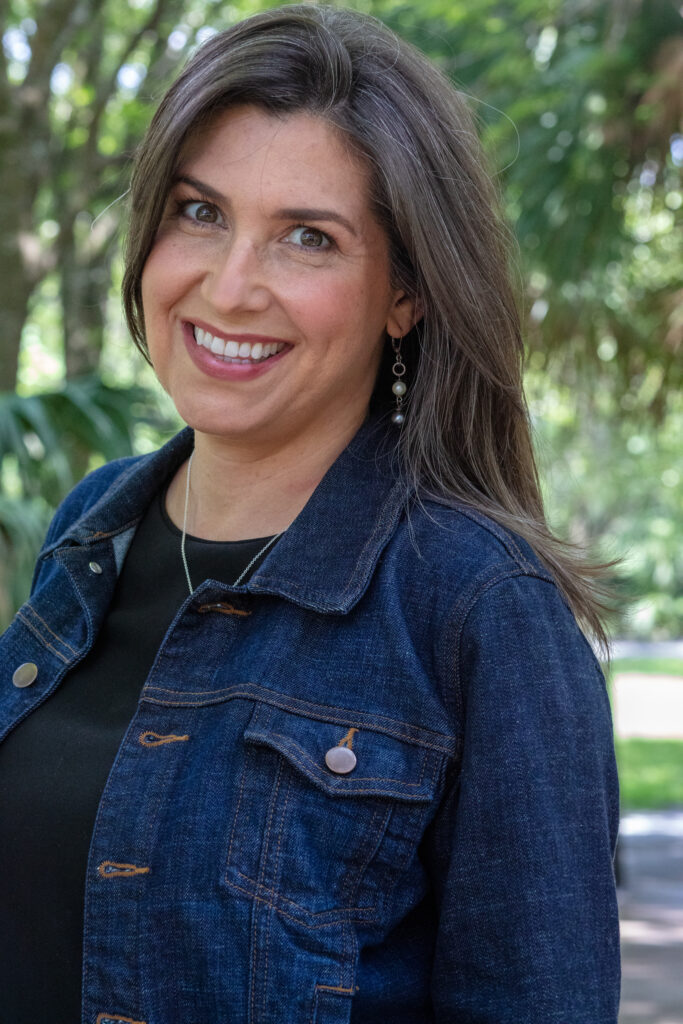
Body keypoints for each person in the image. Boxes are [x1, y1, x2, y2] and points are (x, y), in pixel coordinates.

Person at [0, 5, 620, 1022]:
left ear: (404, 296)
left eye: (306, 237)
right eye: (200, 213)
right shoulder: (89, 532)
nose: (230, 285)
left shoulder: (480, 608)